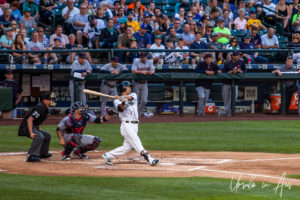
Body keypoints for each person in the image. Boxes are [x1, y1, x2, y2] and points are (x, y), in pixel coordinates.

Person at [102, 81, 160, 166]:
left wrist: (123, 98)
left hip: (135, 125)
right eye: (128, 86)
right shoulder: (116, 101)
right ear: (123, 88)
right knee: (136, 141)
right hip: (126, 125)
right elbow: (121, 109)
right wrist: (122, 102)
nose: (129, 88)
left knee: (126, 148)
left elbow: (130, 98)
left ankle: (107, 155)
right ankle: (149, 159)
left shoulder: (133, 95)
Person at [18, 92, 56, 162]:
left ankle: (43, 153)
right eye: (51, 99)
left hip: (33, 126)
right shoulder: (40, 107)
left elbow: (36, 120)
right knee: (39, 136)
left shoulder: (45, 107)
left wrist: (38, 128)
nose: (52, 101)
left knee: (47, 135)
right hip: (26, 126)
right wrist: (31, 132)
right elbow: (30, 119)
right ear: (45, 100)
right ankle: (31, 155)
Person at [219, 51, 246, 117]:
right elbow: (223, 73)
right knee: (226, 99)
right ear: (232, 56)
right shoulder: (227, 63)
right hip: (226, 83)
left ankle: (225, 111)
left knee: (234, 98)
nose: (236, 56)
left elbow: (245, 72)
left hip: (235, 83)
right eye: (234, 55)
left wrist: (240, 71)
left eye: (237, 55)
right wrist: (230, 71)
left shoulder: (241, 62)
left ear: (239, 56)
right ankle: (228, 112)